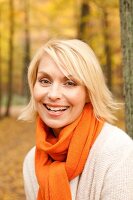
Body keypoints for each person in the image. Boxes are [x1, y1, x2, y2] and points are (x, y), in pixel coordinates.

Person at [19, 39, 133, 200]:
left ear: (88, 92)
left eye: (70, 83)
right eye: (45, 81)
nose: (53, 94)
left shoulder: (117, 151)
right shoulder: (32, 161)